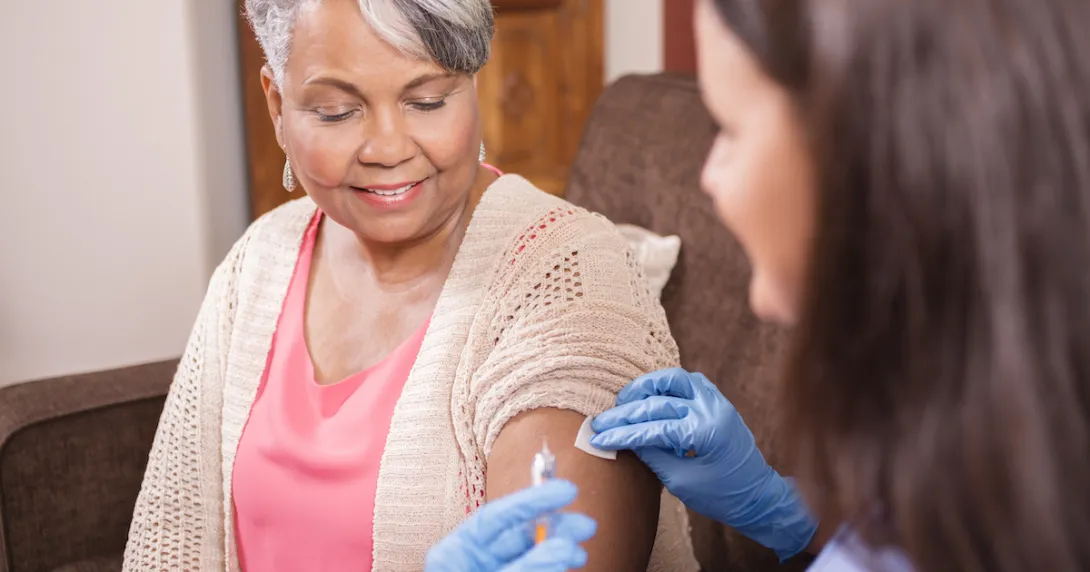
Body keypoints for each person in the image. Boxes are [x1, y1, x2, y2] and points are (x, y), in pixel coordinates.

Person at [426, 0, 1090, 570]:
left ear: (871, 158)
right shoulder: (988, 435)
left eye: (730, 129)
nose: (708, 177)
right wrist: (788, 512)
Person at [120, 1, 699, 570]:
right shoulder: (259, 261)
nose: (389, 149)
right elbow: (171, 533)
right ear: (277, 106)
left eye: (426, 101)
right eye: (337, 112)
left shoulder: (566, 282)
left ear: (472, 84)